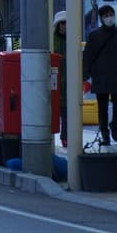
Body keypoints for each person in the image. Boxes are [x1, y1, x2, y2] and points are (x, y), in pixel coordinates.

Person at [82, 4, 117, 145]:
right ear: (101, 18)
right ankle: (105, 133)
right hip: (100, 75)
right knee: (102, 107)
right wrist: (86, 73)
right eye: (106, 15)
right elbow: (88, 55)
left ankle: (114, 125)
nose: (109, 18)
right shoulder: (94, 35)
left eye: (110, 14)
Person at [52, 11, 68, 147]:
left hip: (68, 81)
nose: (64, 26)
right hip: (54, 79)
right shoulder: (52, 40)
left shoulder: (73, 39)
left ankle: (65, 137)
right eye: (62, 23)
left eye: (67, 23)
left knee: (67, 112)